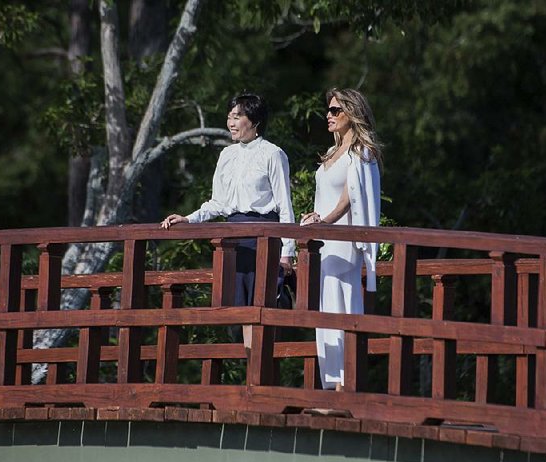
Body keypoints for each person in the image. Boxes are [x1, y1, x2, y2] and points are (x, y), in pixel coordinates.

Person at [161, 93, 295, 355]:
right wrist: (189, 218)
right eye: (229, 117)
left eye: (237, 117)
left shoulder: (273, 154)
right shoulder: (226, 155)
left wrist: (287, 252)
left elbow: (285, 206)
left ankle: (262, 376)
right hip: (234, 239)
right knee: (243, 313)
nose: (231, 122)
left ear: (254, 121)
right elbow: (218, 203)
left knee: (264, 309)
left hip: (264, 236)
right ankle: (252, 373)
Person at [300, 88, 382, 391]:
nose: (329, 116)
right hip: (324, 244)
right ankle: (330, 384)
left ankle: (345, 385)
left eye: (336, 111)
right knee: (326, 313)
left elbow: (352, 197)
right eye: (329, 111)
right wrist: (314, 217)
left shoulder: (360, 153)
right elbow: (327, 195)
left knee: (342, 309)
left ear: (352, 113)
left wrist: (326, 221)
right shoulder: (331, 153)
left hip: (343, 242)